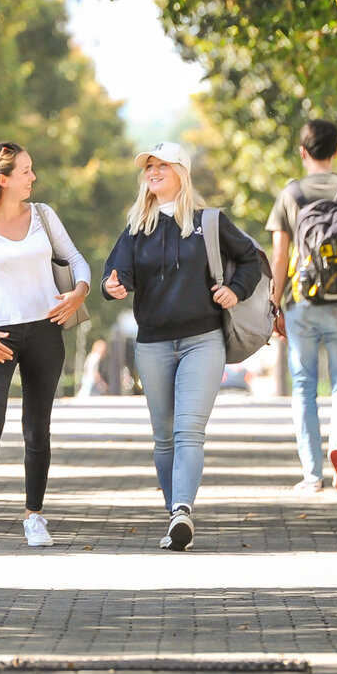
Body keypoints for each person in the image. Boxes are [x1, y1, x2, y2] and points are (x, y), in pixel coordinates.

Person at [102, 140, 261, 550]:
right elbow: (116, 275)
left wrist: (235, 292)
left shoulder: (210, 221)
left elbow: (250, 260)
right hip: (152, 344)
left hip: (203, 341)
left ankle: (181, 512)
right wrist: (113, 286)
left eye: (162, 166)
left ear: (181, 174)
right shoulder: (137, 226)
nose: (153, 173)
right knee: (164, 436)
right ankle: (175, 510)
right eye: (148, 167)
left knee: (189, 429)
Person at [0, 142, 89, 550]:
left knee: (36, 427)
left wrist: (79, 292)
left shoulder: (43, 215)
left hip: (46, 330)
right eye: (25, 171)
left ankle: (34, 516)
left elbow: (76, 259)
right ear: (2, 178)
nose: (33, 178)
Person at [267, 119, 337, 493]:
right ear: (335, 152)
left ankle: (312, 475)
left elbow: (280, 255)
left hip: (302, 301)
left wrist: (274, 304)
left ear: (302, 152)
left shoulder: (291, 194)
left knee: (303, 385)